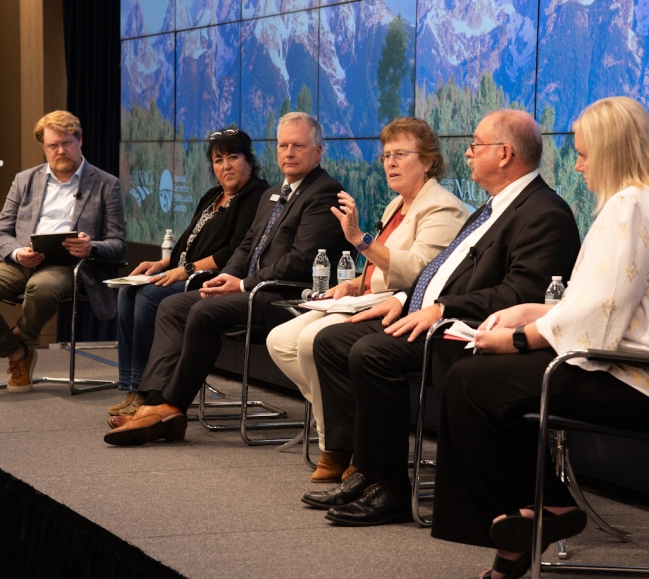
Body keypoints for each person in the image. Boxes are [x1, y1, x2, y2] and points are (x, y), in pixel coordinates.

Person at [302, 109, 581, 526]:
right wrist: (403, 298)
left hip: (468, 334)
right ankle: (367, 469)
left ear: (504, 154)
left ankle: (392, 487)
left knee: (372, 354)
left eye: (476, 145)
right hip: (428, 317)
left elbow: (519, 295)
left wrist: (443, 309)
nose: (467, 154)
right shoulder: (494, 206)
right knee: (332, 340)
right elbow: (440, 272)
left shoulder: (544, 213)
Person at [431, 96, 649, 579]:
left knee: (473, 380)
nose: (578, 165)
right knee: (482, 379)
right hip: (621, 364)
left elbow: (601, 316)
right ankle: (543, 511)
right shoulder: (637, 202)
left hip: (631, 378)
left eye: (585, 154)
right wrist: (536, 311)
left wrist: (520, 339)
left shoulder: (629, 204)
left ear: (610, 153)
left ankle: (527, 519)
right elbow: (612, 302)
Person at [103, 112, 352, 446]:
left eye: (299, 146)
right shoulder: (273, 194)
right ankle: (155, 401)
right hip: (247, 291)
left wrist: (243, 284)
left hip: (282, 297)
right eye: (283, 146)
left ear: (318, 151)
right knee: (174, 306)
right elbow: (247, 246)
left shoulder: (325, 193)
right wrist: (227, 277)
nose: (289, 153)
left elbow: (301, 261)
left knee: (204, 312)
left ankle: (171, 407)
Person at [266, 117, 469, 483]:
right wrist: (353, 284)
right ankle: (355, 421)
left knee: (314, 341)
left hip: (405, 308)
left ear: (427, 161)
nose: (390, 162)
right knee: (279, 340)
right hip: (368, 298)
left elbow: (420, 271)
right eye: (386, 156)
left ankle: (339, 445)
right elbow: (379, 265)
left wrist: (359, 238)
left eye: (400, 155)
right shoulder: (397, 205)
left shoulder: (442, 207)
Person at [108, 129, 268, 419]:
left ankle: (147, 391)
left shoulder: (255, 195)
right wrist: (163, 263)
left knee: (150, 296)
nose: (226, 166)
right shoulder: (212, 195)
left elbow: (233, 252)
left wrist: (186, 270)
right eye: (218, 160)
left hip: (212, 279)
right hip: (184, 271)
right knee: (128, 292)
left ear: (249, 161)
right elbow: (187, 242)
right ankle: (133, 385)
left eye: (233, 157)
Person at [0, 111, 125, 392]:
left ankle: (13, 338)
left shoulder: (106, 184)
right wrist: (16, 253)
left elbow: (118, 243)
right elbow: (0, 233)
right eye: (52, 145)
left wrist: (91, 246)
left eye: (66, 143)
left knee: (42, 288)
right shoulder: (25, 180)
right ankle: (16, 353)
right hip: (19, 261)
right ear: (44, 147)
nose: (60, 151)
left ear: (79, 141)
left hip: (68, 266)